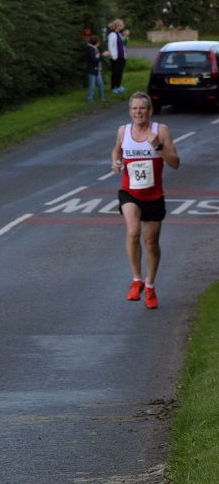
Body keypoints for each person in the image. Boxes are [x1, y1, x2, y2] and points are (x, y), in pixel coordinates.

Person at [111, 91, 180, 309]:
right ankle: (136, 280)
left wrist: (158, 146)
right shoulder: (123, 131)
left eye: (142, 108)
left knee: (151, 243)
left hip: (154, 195)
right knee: (133, 232)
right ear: (130, 111)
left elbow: (175, 163)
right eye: (134, 108)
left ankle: (150, 285)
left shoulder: (161, 130)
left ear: (150, 111)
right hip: (129, 192)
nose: (138, 112)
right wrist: (116, 162)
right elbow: (117, 151)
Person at [106, 18, 128, 94]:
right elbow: (110, 46)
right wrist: (113, 56)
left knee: (120, 72)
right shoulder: (112, 34)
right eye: (121, 25)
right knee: (115, 73)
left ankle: (118, 86)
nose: (122, 27)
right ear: (117, 26)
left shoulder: (119, 34)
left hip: (121, 56)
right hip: (115, 57)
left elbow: (122, 44)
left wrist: (125, 37)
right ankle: (114, 87)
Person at [84, 35, 105, 102]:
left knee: (101, 84)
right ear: (96, 42)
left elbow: (97, 57)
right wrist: (102, 55)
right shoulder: (90, 49)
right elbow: (94, 60)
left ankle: (101, 98)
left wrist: (101, 55)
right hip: (92, 70)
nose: (99, 43)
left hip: (97, 69)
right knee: (92, 86)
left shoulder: (95, 49)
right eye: (99, 42)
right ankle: (89, 99)